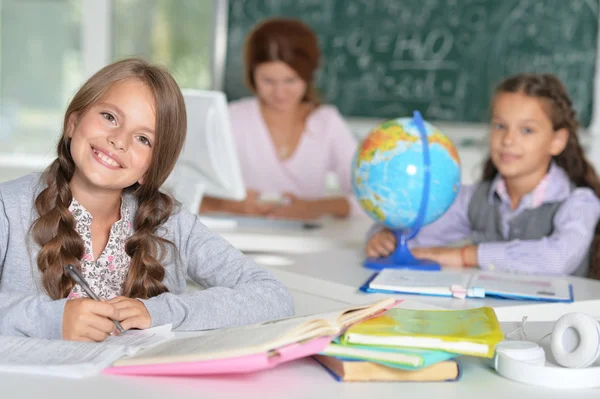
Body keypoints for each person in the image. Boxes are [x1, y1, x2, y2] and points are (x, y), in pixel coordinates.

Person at [0, 58, 294, 342]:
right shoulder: (9, 208)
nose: (119, 140)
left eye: (143, 139)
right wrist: (51, 320)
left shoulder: (172, 224)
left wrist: (157, 312)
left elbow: (273, 296)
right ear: (73, 123)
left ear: (151, 168)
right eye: (109, 117)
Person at [366, 73, 600, 277]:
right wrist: (386, 237)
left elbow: (557, 259)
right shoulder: (475, 198)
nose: (508, 140)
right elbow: (417, 232)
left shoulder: (579, 202)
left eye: (526, 130)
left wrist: (466, 256)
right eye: (500, 126)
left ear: (557, 141)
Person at [200, 18, 360, 220]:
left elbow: (368, 199)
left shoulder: (327, 122)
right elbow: (183, 195)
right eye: (268, 81)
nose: (280, 93)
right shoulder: (230, 119)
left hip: (308, 245)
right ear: (252, 75)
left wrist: (318, 207)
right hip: (238, 243)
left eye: (290, 80)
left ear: (307, 76)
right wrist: (227, 205)